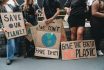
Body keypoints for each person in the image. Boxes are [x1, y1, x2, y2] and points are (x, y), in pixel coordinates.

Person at [0, 0, 20, 65]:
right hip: (6, 26)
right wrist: (2, 27)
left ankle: (13, 54)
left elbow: (18, 9)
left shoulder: (10, 5)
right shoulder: (0, 7)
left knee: (14, 41)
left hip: (13, 26)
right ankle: (9, 58)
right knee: (10, 41)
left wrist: (15, 2)